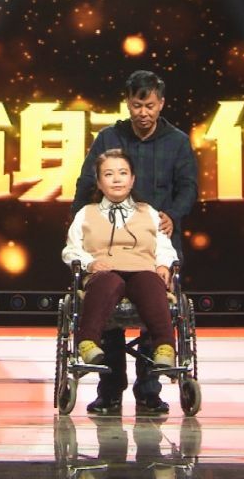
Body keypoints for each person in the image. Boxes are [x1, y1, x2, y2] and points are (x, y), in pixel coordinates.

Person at [70, 70, 198, 416]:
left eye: (150, 106)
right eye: (137, 105)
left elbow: (188, 187)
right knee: (107, 303)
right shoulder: (109, 137)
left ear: (161, 104)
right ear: (128, 103)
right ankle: (110, 390)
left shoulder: (177, 141)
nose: (143, 113)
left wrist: (173, 215)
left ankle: (149, 391)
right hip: (108, 241)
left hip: (155, 239)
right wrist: (80, 224)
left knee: (154, 304)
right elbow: (86, 182)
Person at [63, 149, 179, 383]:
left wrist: (163, 265)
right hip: (103, 272)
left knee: (150, 282)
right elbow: (71, 250)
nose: (116, 179)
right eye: (108, 174)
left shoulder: (149, 212)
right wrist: (90, 263)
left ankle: (165, 347)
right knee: (108, 281)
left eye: (123, 173)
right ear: (99, 182)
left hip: (142, 269)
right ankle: (87, 342)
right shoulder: (86, 213)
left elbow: (163, 246)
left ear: (132, 179)